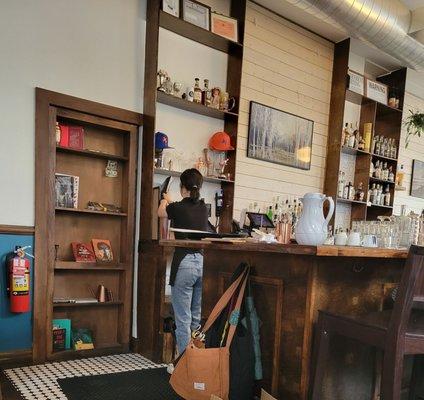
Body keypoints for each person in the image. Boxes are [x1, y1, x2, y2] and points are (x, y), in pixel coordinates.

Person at [158, 168, 209, 358]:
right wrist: (173, 201)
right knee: (195, 319)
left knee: (182, 319)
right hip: (201, 263)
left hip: (184, 264)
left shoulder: (177, 208)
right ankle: (197, 360)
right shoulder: (204, 208)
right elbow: (184, 208)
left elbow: (161, 212)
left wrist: (164, 199)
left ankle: (183, 364)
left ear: (182, 187)